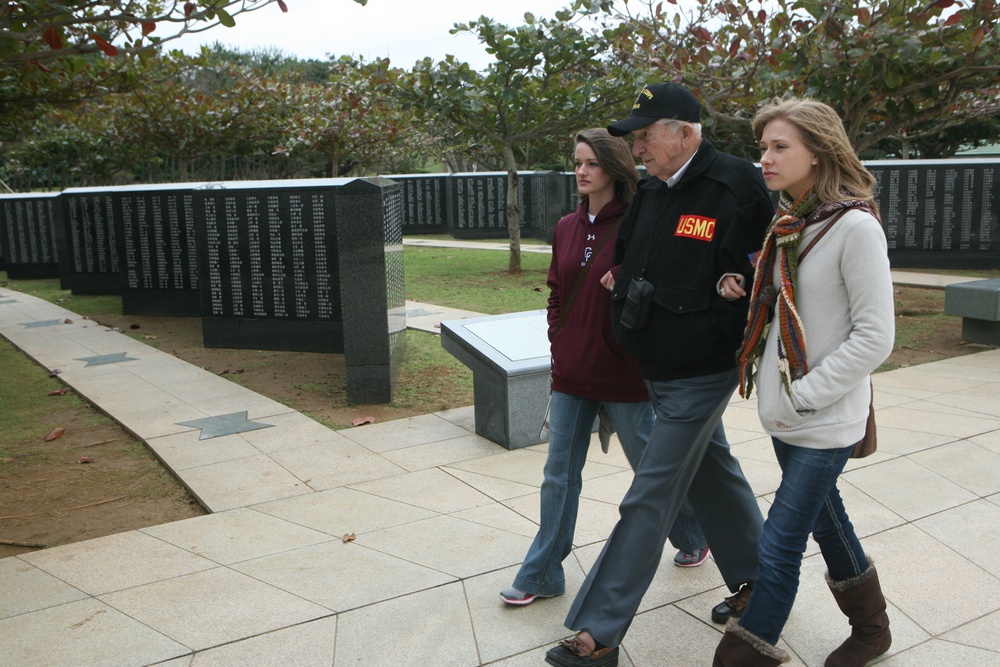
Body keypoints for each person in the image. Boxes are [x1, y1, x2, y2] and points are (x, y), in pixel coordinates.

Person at [545, 83, 773, 667]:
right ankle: (763, 586)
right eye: (635, 136)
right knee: (712, 471)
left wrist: (729, 297)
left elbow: (761, 271)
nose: (638, 146)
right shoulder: (651, 190)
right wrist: (620, 278)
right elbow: (638, 257)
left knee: (648, 495)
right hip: (655, 362)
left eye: (647, 134)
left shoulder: (735, 184)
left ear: (685, 132)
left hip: (703, 366)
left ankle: (597, 632)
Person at [712, 98, 895, 666]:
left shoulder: (854, 227)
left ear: (817, 152)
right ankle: (872, 631)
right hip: (787, 414)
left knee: (780, 542)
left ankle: (747, 655)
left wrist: (806, 395)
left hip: (823, 416)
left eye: (779, 146)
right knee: (827, 521)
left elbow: (874, 337)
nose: (764, 158)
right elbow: (792, 306)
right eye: (762, 146)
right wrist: (742, 286)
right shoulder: (792, 222)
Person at [500, 128, 709, 608]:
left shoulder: (639, 221)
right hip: (571, 372)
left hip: (624, 372)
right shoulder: (566, 227)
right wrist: (560, 336)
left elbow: (660, 285)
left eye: (590, 163)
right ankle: (544, 571)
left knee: (650, 470)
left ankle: (694, 532)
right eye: (576, 162)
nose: (581, 171)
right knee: (558, 475)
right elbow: (555, 290)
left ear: (613, 168)